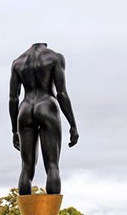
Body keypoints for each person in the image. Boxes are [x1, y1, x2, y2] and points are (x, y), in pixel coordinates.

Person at [9, 43, 79, 196]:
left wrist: (14, 130)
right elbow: (61, 93)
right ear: (45, 45)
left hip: (25, 108)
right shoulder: (54, 57)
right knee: (52, 165)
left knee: (26, 167)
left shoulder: (18, 62)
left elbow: (13, 98)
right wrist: (72, 124)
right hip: (47, 105)